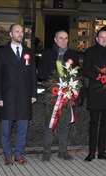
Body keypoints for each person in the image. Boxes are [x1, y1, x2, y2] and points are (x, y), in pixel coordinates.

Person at [0, 23, 37, 166]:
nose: (20, 34)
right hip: (7, 97)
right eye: (17, 31)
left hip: (24, 97)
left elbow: (32, 75)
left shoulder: (29, 52)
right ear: (10, 34)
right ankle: (7, 154)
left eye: (21, 32)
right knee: (6, 128)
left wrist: (33, 94)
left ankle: (18, 153)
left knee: (23, 128)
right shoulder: (1, 53)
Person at [38, 30, 79, 162]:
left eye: (66, 38)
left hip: (67, 95)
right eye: (60, 38)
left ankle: (63, 151)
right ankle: (46, 151)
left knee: (65, 124)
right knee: (50, 124)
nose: (63, 41)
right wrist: (53, 81)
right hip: (52, 94)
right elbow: (41, 74)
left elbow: (77, 74)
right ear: (55, 40)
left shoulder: (73, 54)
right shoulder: (47, 53)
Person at [83, 29, 106, 161]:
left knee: (105, 122)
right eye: (101, 37)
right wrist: (100, 77)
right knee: (94, 123)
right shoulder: (90, 51)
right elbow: (86, 70)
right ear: (97, 39)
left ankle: (102, 152)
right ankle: (92, 152)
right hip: (95, 92)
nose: (104, 39)